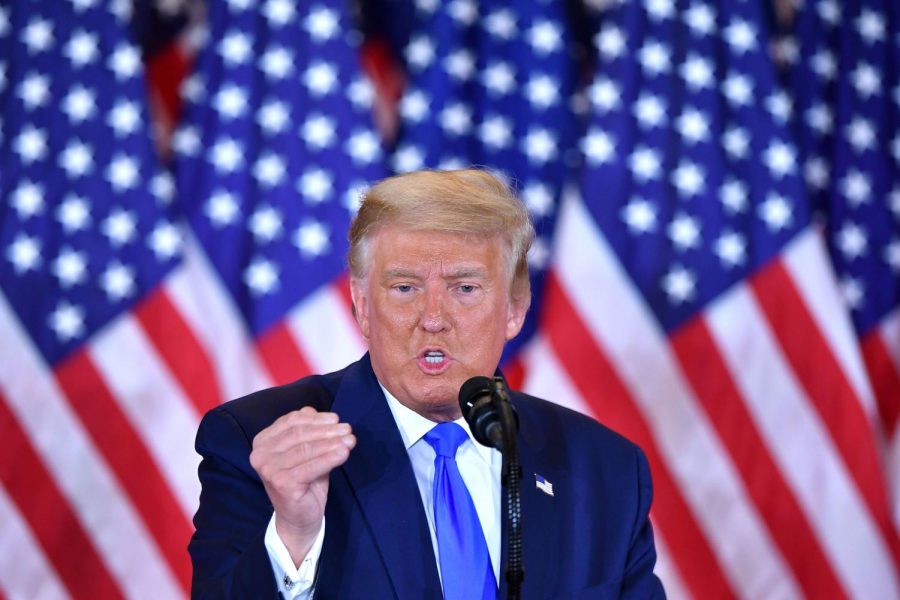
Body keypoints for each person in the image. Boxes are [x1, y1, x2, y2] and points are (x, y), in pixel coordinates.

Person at [188, 169, 666, 599]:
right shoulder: (257, 442)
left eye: (464, 288)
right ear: (361, 304)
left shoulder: (605, 470)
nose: (433, 319)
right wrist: (294, 533)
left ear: (515, 308)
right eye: (405, 288)